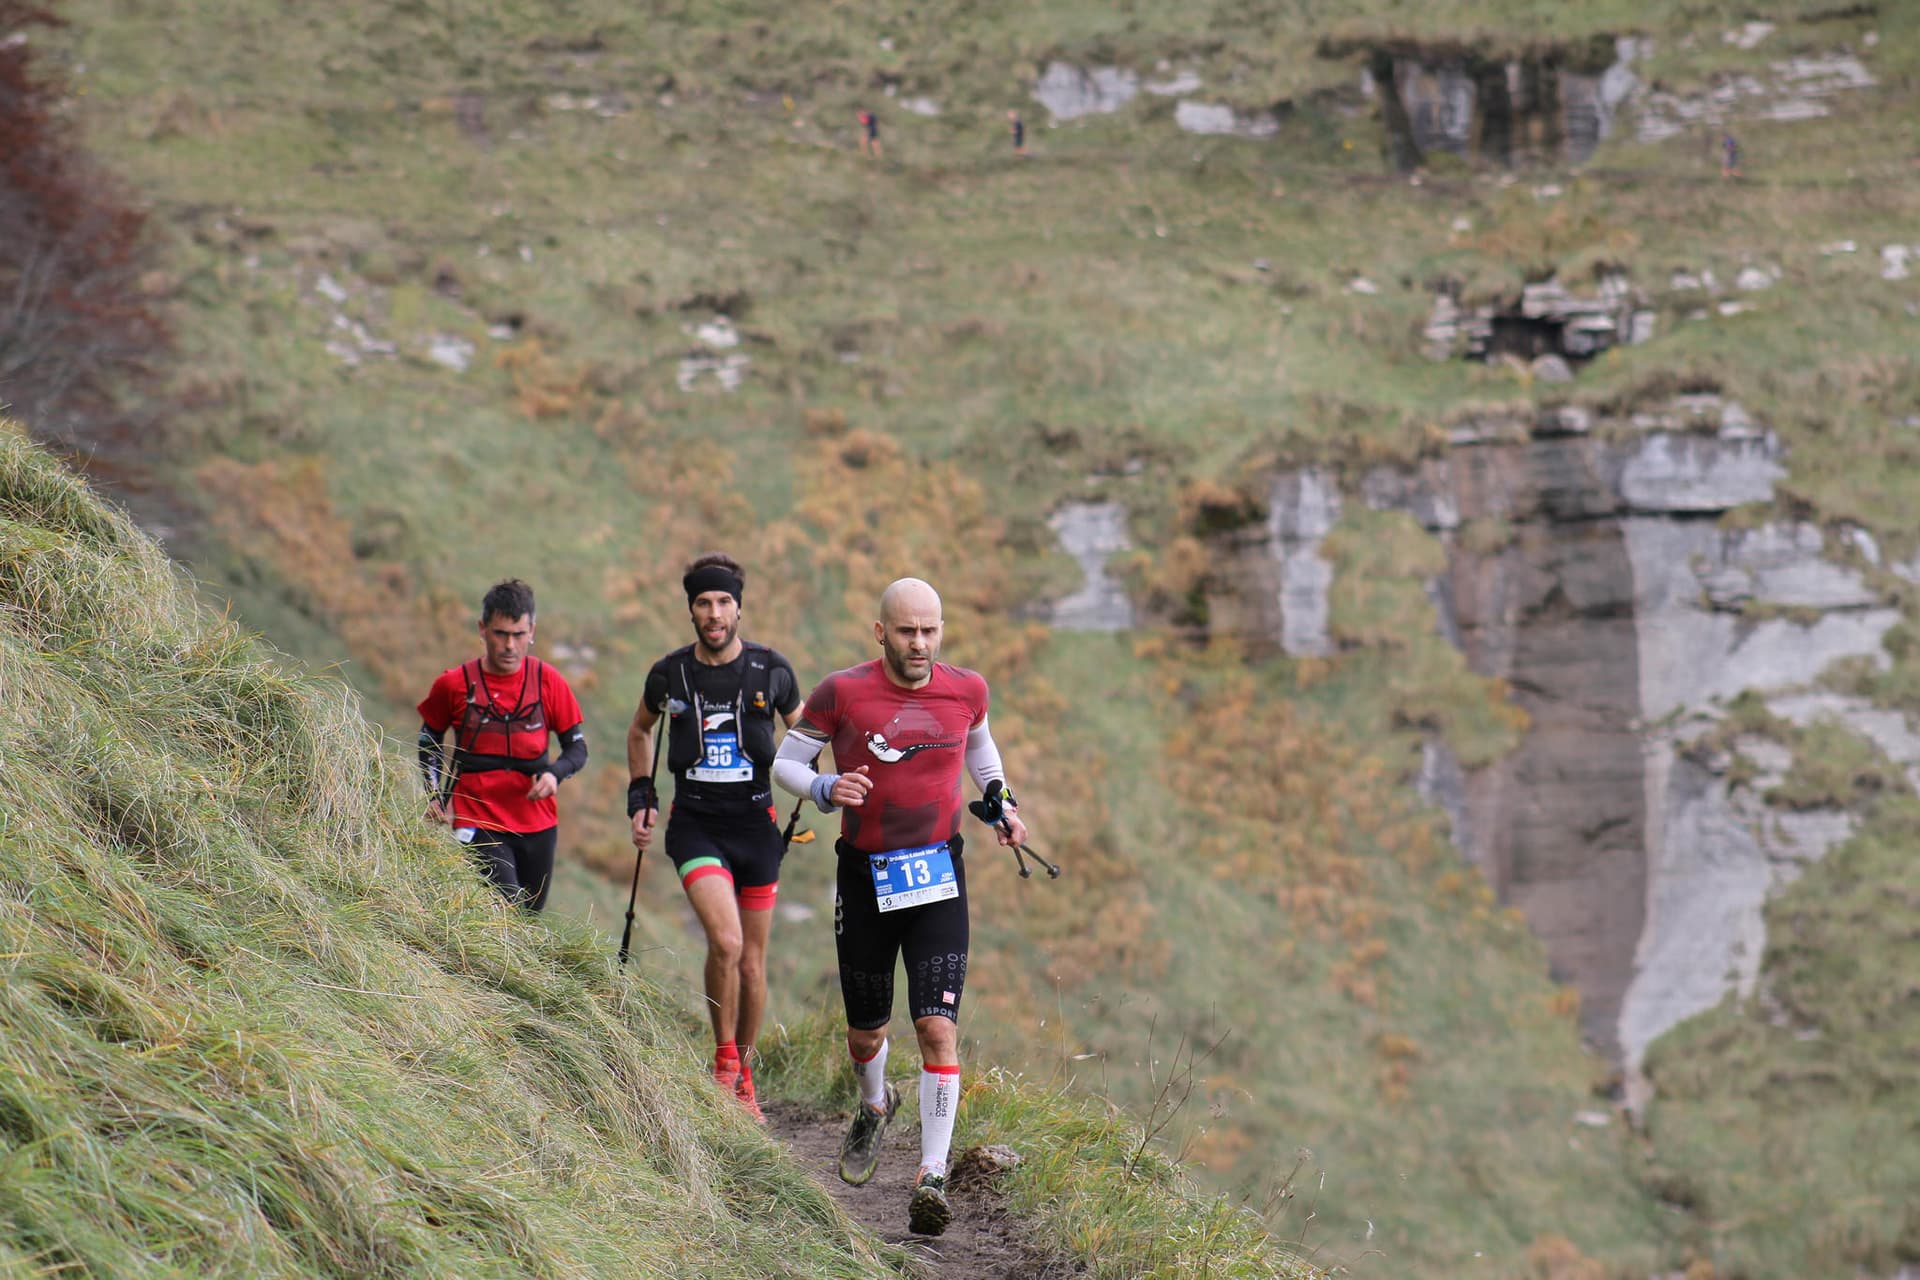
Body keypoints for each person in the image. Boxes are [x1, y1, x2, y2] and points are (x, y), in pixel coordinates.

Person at [773, 577, 1029, 1237]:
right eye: (907, 631)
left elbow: (977, 743)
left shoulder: (966, 689)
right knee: (866, 1032)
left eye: (930, 631)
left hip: (940, 874)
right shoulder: (841, 692)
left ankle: (932, 1175)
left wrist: (1000, 799)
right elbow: (786, 763)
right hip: (865, 878)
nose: (919, 644)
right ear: (881, 632)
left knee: (937, 1027)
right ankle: (874, 1105)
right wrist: (828, 785)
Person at [627, 553, 803, 1122]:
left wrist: (820, 784)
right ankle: (723, 1061)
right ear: (691, 610)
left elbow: (805, 732)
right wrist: (641, 795)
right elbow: (640, 729)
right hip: (696, 825)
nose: (714, 612)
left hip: (757, 829)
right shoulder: (670, 673)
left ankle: (746, 1074)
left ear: (738, 606)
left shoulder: (771, 670)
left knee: (752, 964)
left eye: (723, 601)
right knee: (725, 944)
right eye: (703, 603)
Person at [417, 579, 588, 912]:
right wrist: (433, 795)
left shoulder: (548, 681)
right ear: (482, 629)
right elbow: (428, 740)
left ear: (532, 631)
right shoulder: (454, 685)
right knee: (506, 908)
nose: (510, 646)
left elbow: (577, 749)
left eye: (519, 635)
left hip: (537, 823)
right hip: (476, 818)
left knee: (527, 920)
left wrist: (554, 775)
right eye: (500, 634)